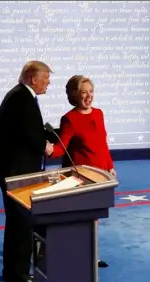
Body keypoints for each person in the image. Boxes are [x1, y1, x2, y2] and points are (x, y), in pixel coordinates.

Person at [0, 60, 53, 282]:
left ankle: (12, 272)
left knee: (16, 224)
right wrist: (45, 145)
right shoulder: (22, 99)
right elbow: (29, 135)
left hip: (13, 172)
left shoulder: (19, 96)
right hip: (18, 174)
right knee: (21, 225)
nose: (48, 82)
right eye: (46, 78)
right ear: (33, 78)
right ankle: (18, 275)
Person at [47, 75, 116, 267]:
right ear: (74, 95)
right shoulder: (69, 119)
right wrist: (50, 150)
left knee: (94, 217)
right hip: (80, 176)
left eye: (91, 91)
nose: (89, 96)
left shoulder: (99, 113)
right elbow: (61, 148)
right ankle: (77, 254)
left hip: (101, 174)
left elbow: (102, 143)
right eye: (84, 92)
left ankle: (92, 255)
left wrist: (110, 166)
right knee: (81, 216)